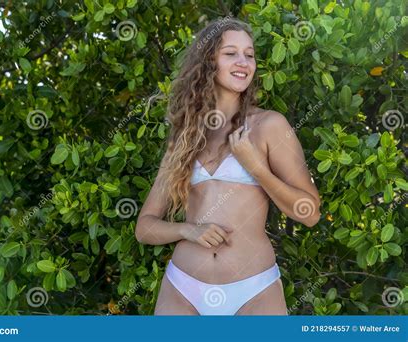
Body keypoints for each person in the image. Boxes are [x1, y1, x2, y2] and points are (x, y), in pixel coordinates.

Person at [135, 17, 321, 315]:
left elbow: (309, 213)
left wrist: (257, 168)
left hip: (254, 289)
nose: (243, 62)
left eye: (249, 54)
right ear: (210, 61)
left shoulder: (269, 125)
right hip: (183, 288)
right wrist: (188, 230)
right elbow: (144, 227)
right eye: (231, 53)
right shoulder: (186, 137)